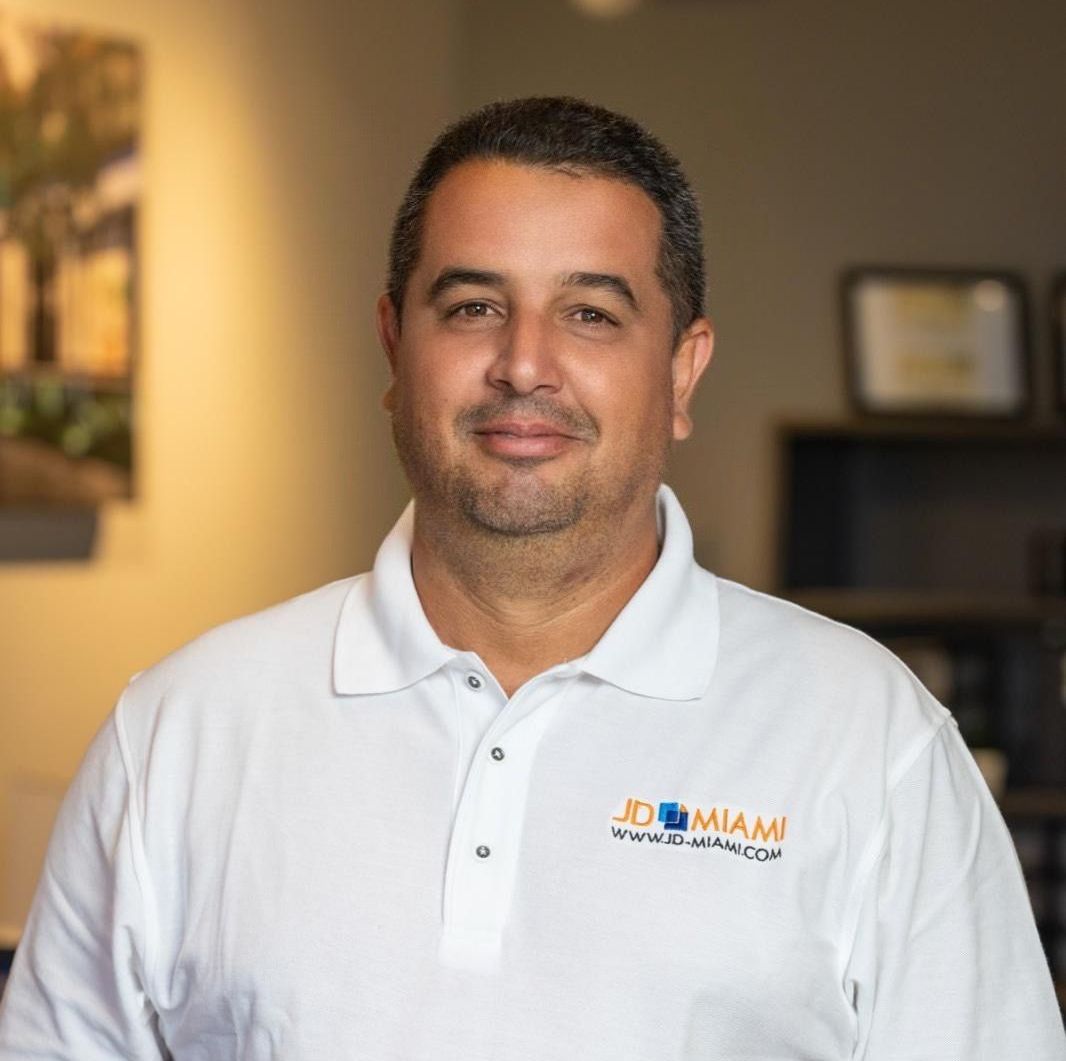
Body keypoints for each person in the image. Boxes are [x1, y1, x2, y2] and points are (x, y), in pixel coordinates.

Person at [0, 96, 1062, 1060]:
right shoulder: (180, 730)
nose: (522, 362)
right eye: (471, 306)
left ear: (683, 370)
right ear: (392, 344)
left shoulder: (871, 740)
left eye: (591, 312)